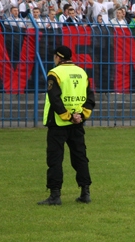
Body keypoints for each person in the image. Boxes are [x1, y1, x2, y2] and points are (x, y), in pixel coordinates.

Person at [38, 46, 95, 206]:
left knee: (55, 158)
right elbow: (90, 97)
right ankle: (85, 192)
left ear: (58, 57)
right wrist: (81, 115)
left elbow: (55, 99)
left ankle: (55, 195)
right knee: (80, 157)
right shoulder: (82, 72)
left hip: (58, 122)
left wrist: (67, 116)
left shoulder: (55, 73)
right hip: (77, 122)